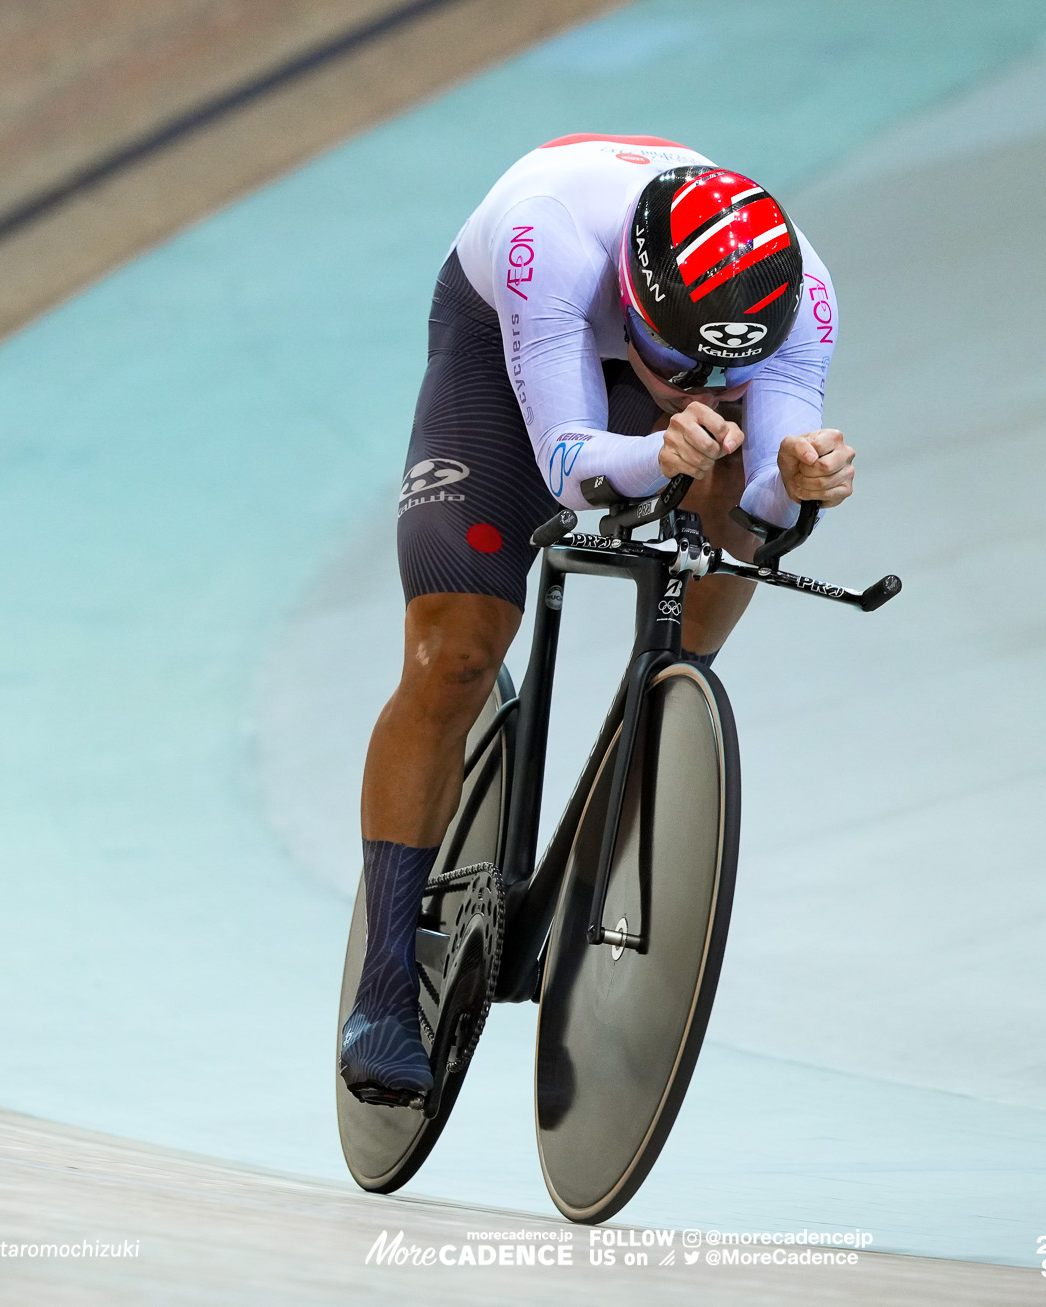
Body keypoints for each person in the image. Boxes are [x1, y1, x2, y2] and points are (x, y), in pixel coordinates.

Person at [341, 134, 855, 1104]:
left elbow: (768, 506)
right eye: (674, 360)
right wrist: (659, 447)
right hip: (512, 353)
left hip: (661, 372)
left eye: (722, 372)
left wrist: (797, 481)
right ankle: (382, 979)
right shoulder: (555, 237)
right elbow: (568, 469)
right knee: (455, 654)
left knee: (727, 522)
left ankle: (655, 713)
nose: (694, 384)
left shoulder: (800, 294)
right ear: (631, 296)